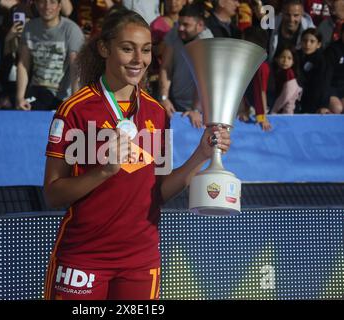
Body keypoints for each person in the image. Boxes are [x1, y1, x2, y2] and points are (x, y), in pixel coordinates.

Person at [43, 8, 230, 300]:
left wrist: (200, 155)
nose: (138, 60)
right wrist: (104, 171)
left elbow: (159, 191)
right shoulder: (74, 110)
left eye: (145, 50)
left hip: (141, 261)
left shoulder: (157, 112)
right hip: (84, 258)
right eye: (127, 49)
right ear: (104, 48)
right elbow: (53, 194)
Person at [16, 0, 84, 110]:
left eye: (52, 2)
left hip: (62, 96)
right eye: (42, 2)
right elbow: (23, 64)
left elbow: (75, 68)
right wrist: (19, 98)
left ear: (59, 6)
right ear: (36, 5)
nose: (47, 6)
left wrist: (75, 101)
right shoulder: (30, 28)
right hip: (36, 92)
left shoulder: (71, 30)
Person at [159, 2, 213, 128]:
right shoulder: (175, 32)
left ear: (200, 26)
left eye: (186, 25)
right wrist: (164, 98)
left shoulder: (206, 40)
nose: (180, 28)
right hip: (174, 103)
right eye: (179, 23)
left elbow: (203, 78)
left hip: (200, 109)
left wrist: (195, 109)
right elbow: (166, 67)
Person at [241, 26, 272, 131]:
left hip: (266, 108)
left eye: (244, 41)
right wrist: (243, 110)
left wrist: (262, 116)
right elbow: (243, 88)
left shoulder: (262, 67)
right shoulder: (247, 63)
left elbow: (261, 92)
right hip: (250, 108)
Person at [297, 28, 328, 113]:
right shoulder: (295, 56)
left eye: (312, 41)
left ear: (318, 44)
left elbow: (323, 85)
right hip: (296, 96)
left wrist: (323, 105)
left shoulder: (321, 60)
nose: (307, 44)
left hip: (313, 99)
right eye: (305, 40)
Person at [270, 44, 303, 114]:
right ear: (276, 59)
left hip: (287, 113)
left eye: (289, 58)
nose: (285, 60)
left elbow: (286, 96)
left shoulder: (289, 74)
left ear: (293, 61)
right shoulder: (275, 72)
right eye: (282, 57)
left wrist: (273, 111)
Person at [322, 22, 344, 114]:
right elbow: (326, 78)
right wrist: (323, 103)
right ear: (341, 33)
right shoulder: (332, 50)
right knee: (337, 108)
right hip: (332, 88)